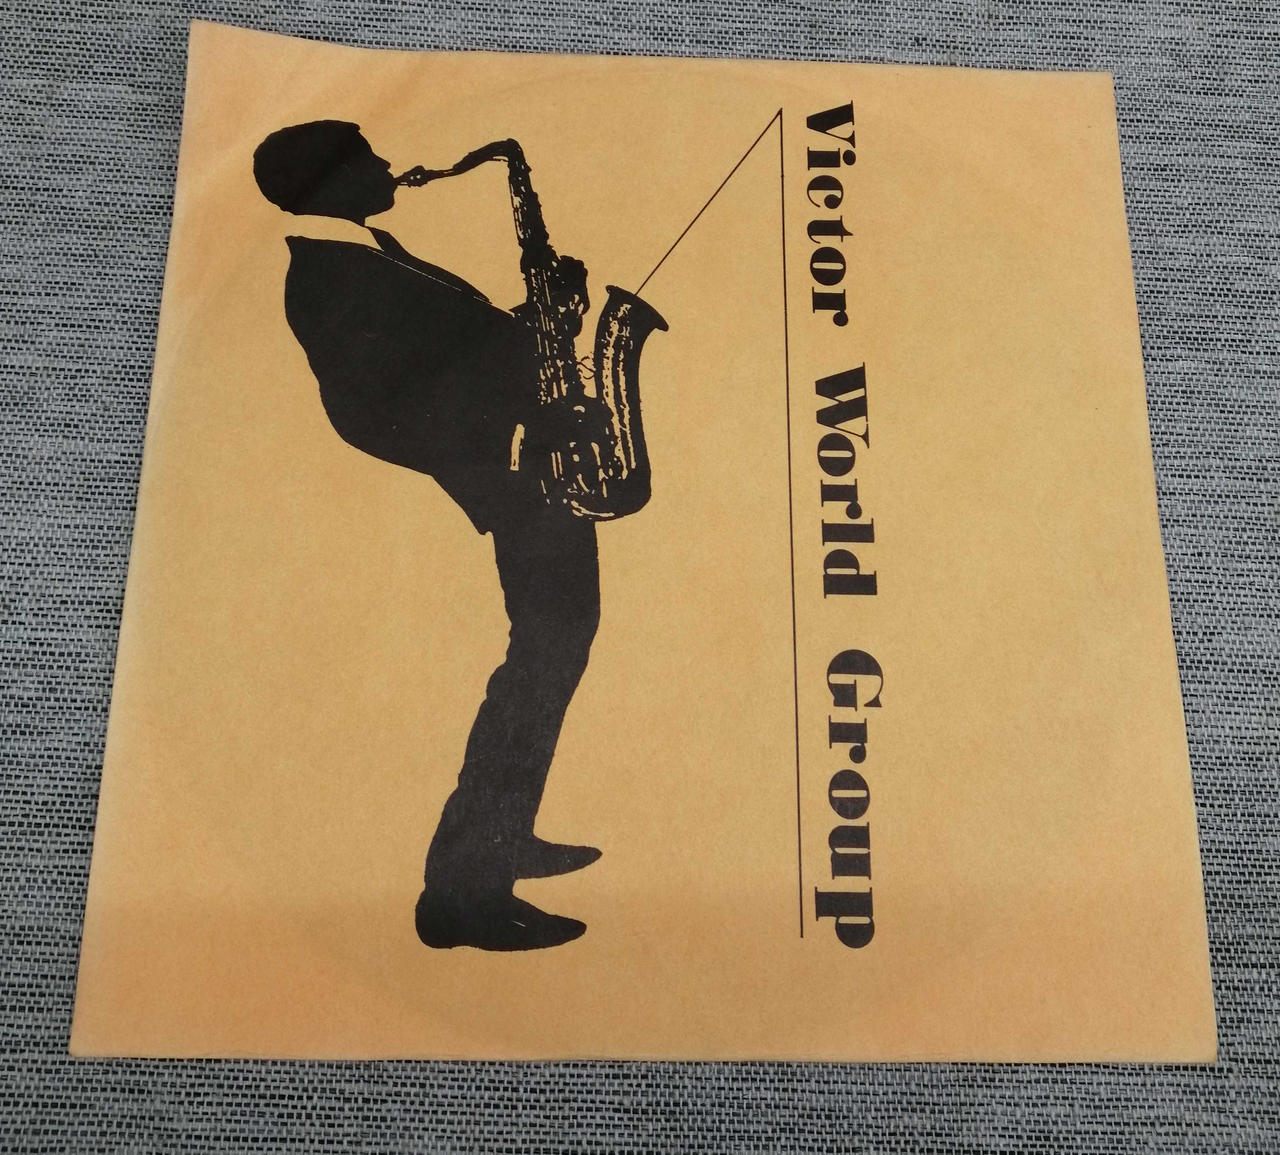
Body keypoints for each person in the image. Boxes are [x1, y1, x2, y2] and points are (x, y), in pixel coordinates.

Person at [253, 120, 602, 951]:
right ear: (332, 179)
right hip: (519, 477)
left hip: (527, 473)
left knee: (550, 651)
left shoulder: (368, 254)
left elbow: (456, 359)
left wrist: (545, 316)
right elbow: (371, 414)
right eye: (368, 157)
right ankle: (462, 895)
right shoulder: (330, 277)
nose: (388, 165)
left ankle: (499, 832)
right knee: (545, 651)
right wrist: (519, 439)